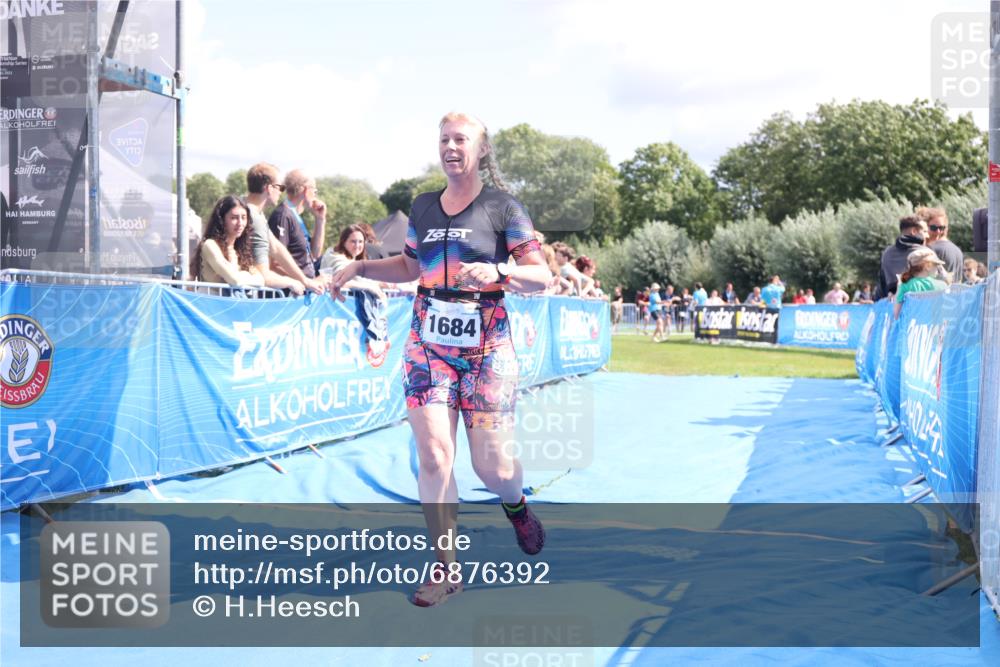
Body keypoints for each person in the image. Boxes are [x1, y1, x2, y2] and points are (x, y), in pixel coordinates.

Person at [328, 112, 551, 607]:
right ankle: (446, 570)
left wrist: (496, 270)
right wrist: (361, 265)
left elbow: (542, 276)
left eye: (461, 139)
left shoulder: (503, 208)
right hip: (428, 346)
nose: (451, 147)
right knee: (433, 456)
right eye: (444, 139)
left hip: (487, 346)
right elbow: (410, 265)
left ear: (481, 149)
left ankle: (515, 505)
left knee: (492, 465)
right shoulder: (424, 207)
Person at [244, 162, 325, 295]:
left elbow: (276, 248)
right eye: (280, 187)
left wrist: (305, 280)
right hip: (247, 296)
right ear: (270, 188)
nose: (282, 192)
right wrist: (295, 282)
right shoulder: (259, 215)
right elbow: (267, 271)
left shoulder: (258, 214)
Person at [268, 169, 328, 279]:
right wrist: (307, 282)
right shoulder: (283, 216)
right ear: (306, 190)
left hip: (305, 290)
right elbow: (275, 264)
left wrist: (320, 220)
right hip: (291, 293)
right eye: (315, 191)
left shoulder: (294, 216)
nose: (315, 196)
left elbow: (314, 255)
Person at [195, 195, 264, 288]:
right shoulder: (210, 245)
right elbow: (235, 280)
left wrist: (240, 275)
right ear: (222, 220)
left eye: (243, 217)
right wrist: (245, 275)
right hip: (211, 301)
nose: (240, 223)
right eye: (234, 218)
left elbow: (261, 280)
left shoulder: (240, 251)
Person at [319, 224, 387, 300]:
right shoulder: (334, 255)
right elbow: (340, 281)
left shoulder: (353, 258)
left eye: (360, 242)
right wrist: (371, 287)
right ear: (343, 242)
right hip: (331, 305)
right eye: (353, 241)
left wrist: (379, 284)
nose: (357, 245)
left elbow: (358, 279)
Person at [877, 215, 927, 299]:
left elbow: (882, 285)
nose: (927, 235)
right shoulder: (925, 253)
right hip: (920, 306)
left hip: (892, 305)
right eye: (924, 231)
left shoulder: (887, 253)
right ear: (914, 231)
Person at [894, 246, 948, 318]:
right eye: (936, 265)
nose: (937, 268)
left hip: (913, 327)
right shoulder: (942, 286)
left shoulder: (904, 285)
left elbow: (896, 314)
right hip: (934, 327)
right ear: (928, 266)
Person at [916, 206, 962, 283]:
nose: (938, 231)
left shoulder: (928, 250)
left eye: (941, 228)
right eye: (933, 228)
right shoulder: (957, 250)